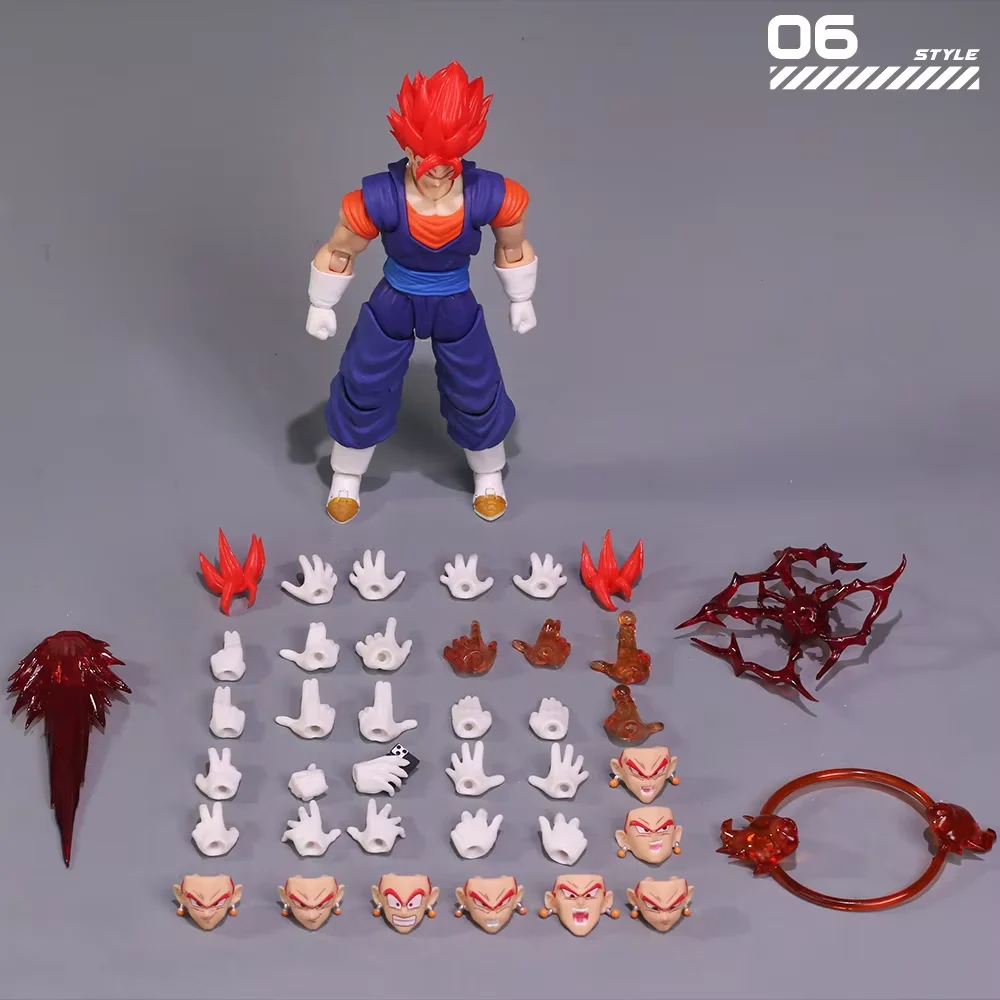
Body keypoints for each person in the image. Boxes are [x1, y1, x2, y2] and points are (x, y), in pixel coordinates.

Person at [305, 61, 538, 524]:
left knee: (476, 385)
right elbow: (340, 250)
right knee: (364, 381)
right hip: (395, 298)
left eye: (450, 162)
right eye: (427, 160)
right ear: (407, 146)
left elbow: (513, 247)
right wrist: (322, 302)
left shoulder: (490, 193)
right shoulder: (380, 196)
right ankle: (346, 475)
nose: (438, 173)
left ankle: (489, 473)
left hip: (455, 302)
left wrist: (521, 297)